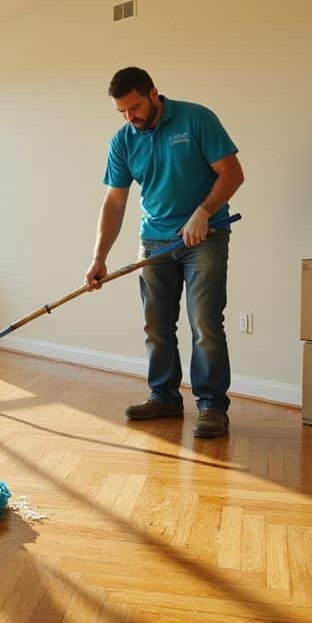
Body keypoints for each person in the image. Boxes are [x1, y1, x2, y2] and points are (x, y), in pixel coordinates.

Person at [85, 67, 244, 439]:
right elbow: (114, 202)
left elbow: (232, 173)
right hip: (154, 242)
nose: (130, 118)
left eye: (136, 107)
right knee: (156, 326)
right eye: (122, 112)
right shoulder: (124, 140)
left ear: (154, 94)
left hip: (205, 236)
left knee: (205, 324)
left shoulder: (197, 119)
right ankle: (164, 397)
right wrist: (99, 257)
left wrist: (203, 213)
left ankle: (211, 406)